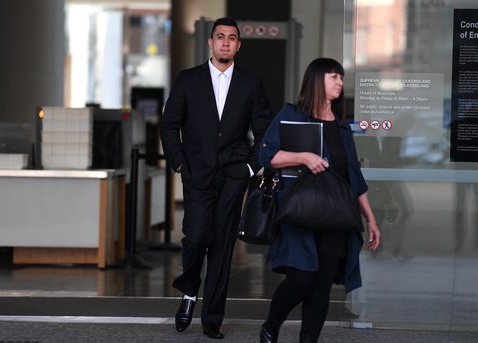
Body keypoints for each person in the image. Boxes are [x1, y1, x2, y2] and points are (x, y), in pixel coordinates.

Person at [160, 17, 272, 339]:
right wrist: (180, 163)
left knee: (222, 247)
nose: (225, 42)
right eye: (220, 37)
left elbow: (264, 130)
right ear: (210, 42)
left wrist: (252, 167)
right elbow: (169, 125)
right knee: (195, 237)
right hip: (196, 173)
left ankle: (212, 319)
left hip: (234, 175)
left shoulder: (251, 83)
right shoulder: (188, 80)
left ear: (239, 45)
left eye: (231, 38)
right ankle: (190, 288)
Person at [258, 58, 381, 343]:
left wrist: (371, 219)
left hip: (336, 216)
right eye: (334, 77)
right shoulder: (292, 115)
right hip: (300, 211)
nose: (340, 82)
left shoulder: (341, 129)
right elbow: (267, 156)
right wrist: (303, 157)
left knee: (322, 286)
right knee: (301, 280)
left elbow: (354, 177)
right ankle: (272, 324)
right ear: (316, 80)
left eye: (341, 77)